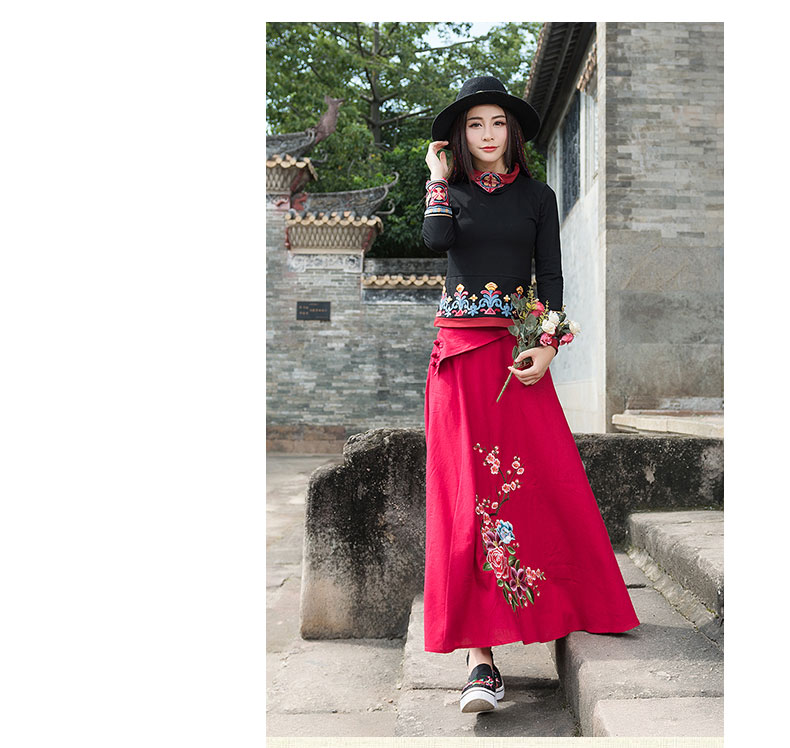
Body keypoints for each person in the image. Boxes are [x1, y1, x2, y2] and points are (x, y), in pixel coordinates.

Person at [422, 75, 640, 714]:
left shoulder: (539, 197)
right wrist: (437, 180)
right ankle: (480, 662)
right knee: (468, 501)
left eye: (497, 123)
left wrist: (547, 348)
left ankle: (574, 603)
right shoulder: (450, 194)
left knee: (543, 485)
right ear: (459, 136)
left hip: (518, 361)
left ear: (512, 130)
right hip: (460, 362)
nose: (487, 134)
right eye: (474, 125)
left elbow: (551, 278)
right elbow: (436, 242)